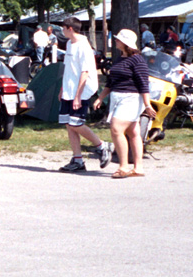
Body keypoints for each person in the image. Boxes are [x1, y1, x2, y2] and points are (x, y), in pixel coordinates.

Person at [92, 29, 155, 178]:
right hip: (117, 98)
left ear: (126, 43)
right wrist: (100, 98)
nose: (116, 41)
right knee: (133, 132)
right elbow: (110, 82)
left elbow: (143, 84)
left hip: (131, 99)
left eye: (118, 39)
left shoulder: (137, 60)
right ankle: (138, 168)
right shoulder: (120, 59)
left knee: (116, 129)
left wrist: (147, 105)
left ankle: (124, 166)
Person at [56, 18, 113, 173]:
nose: (62, 31)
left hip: (82, 89)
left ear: (70, 29)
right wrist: (63, 88)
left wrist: (77, 96)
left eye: (63, 28)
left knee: (76, 123)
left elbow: (85, 72)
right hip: (69, 89)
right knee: (69, 124)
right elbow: (68, 69)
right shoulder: (69, 44)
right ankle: (77, 159)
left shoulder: (83, 46)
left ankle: (102, 146)